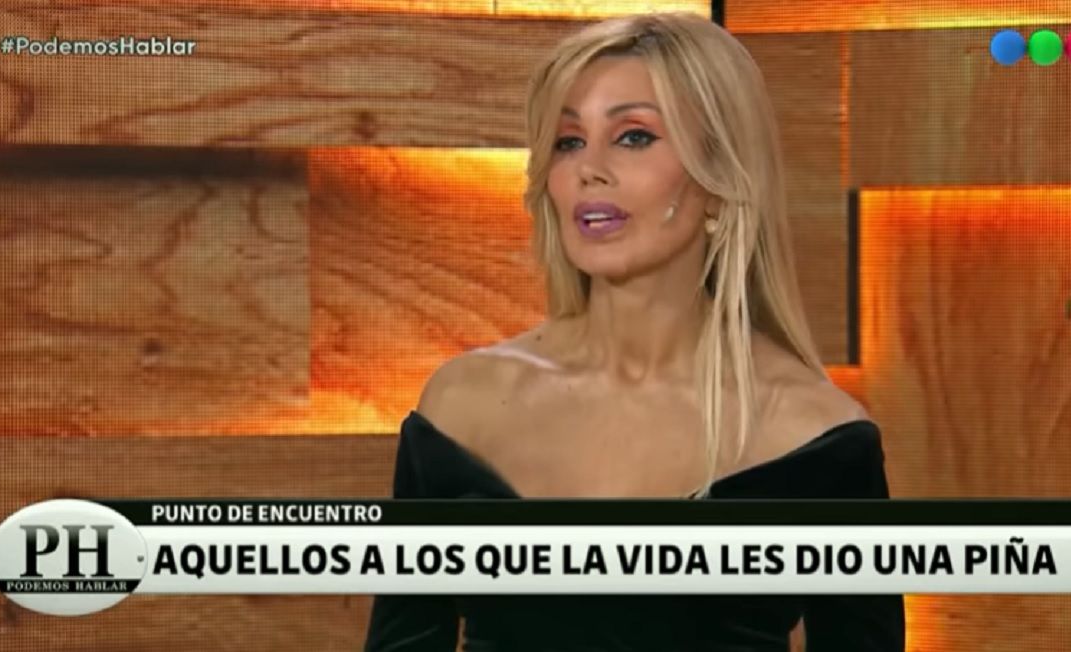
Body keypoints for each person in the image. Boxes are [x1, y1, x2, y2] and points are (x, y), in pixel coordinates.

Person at [364, 11, 905, 651]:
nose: (588, 169)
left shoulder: (814, 437)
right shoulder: (463, 407)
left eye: (633, 137)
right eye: (569, 142)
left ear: (720, 183)